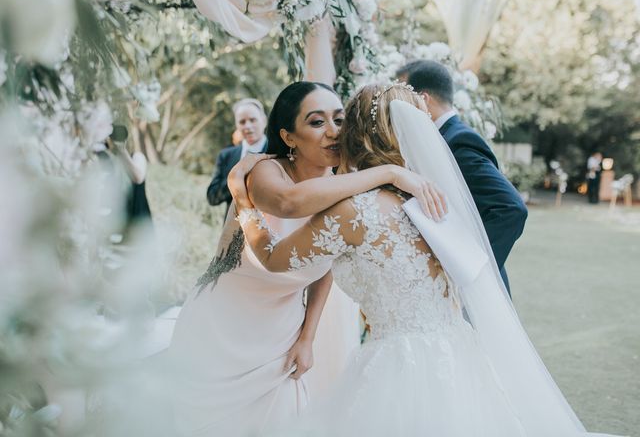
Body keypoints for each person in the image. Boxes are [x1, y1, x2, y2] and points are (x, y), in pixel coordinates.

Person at [229, 83, 620, 437]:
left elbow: (273, 258)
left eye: (343, 122)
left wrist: (243, 200)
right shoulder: (432, 200)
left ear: (358, 135)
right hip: (459, 353)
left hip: (401, 366)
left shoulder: (354, 211)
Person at [166, 82, 446, 437]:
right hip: (224, 325)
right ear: (289, 136)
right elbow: (288, 203)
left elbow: (329, 260)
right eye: (316, 122)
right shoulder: (266, 172)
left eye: (339, 120)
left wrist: (306, 337)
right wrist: (388, 172)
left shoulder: (343, 184)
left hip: (281, 333)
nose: (333, 132)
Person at [397, 59, 527, 295]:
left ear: (423, 99)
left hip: (471, 292)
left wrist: (468, 273)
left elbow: (511, 208)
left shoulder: (458, 141)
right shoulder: (434, 140)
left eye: (402, 98)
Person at [206, 98, 269, 214]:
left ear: (264, 121)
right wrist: (237, 177)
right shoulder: (226, 155)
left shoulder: (276, 152)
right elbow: (212, 197)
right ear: (236, 125)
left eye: (253, 120)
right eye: (242, 122)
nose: (248, 126)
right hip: (232, 229)